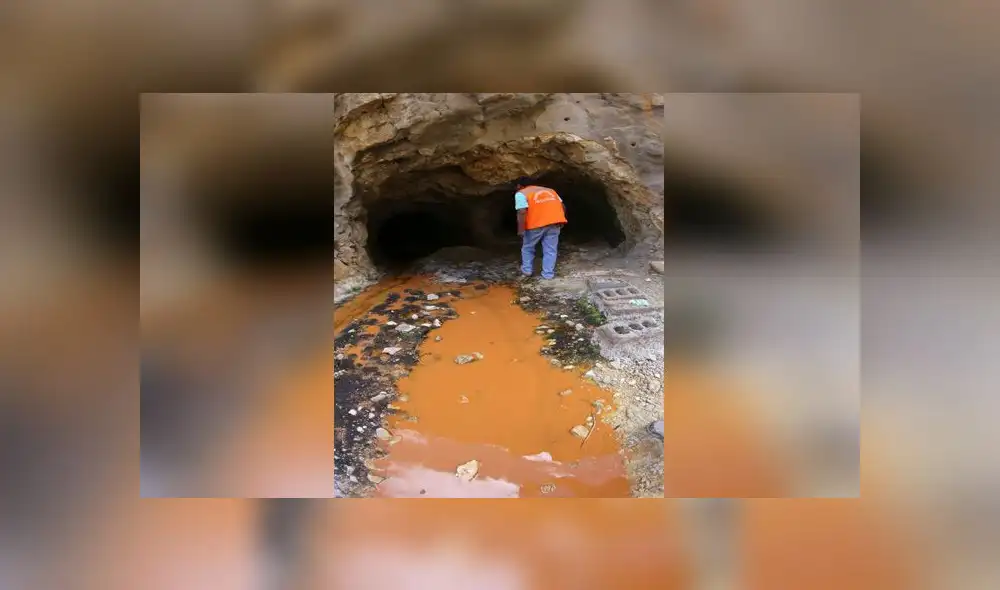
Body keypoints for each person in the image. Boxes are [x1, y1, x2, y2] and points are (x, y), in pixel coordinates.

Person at [514, 177, 567, 279]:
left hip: (535, 224)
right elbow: (562, 206)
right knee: (550, 250)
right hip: (554, 223)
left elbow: (522, 211)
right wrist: (562, 218)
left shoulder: (521, 193)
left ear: (519, 186)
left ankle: (527, 270)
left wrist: (521, 229)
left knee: (528, 247)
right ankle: (548, 274)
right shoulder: (550, 191)